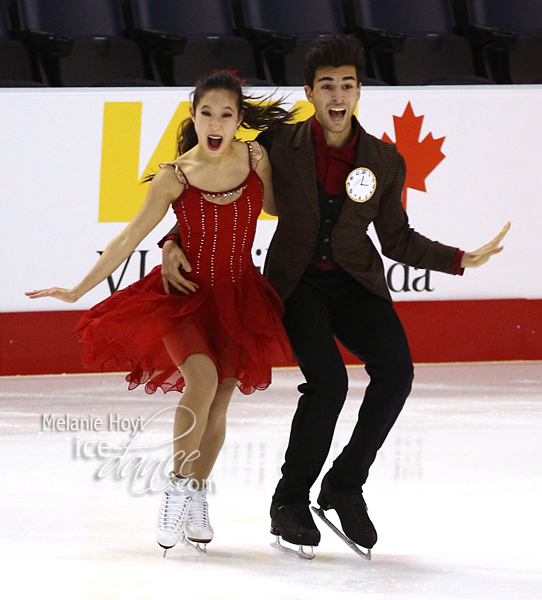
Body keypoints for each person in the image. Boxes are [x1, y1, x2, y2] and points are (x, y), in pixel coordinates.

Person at [160, 35, 510, 556]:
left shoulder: (385, 160)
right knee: (327, 383)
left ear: (360, 91)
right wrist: (172, 242)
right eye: (327, 85)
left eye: (347, 84)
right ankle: (290, 500)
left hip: (355, 282)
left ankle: (344, 486)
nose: (338, 94)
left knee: (398, 372)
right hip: (298, 284)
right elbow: (208, 180)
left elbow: (396, 240)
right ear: (310, 92)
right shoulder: (280, 143)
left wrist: (459, 259)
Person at [25, 70, 296, 556]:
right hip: (184, 297)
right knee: (202, 380)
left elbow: (282, 208)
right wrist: (76, 290)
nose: (216, 122)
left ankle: (196, 493)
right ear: (192, 116)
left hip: (239, 296)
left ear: (239, 120)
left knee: (220, 402)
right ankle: (175, 485)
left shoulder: (257, 159)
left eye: (227, 114)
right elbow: (126, 239)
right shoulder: (176, 175)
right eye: (207, 112)